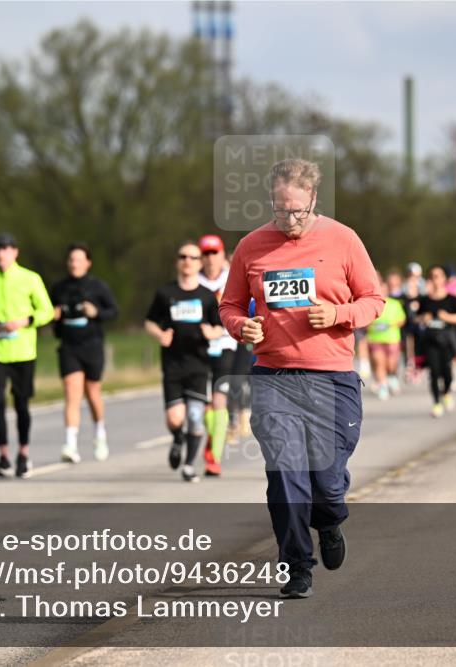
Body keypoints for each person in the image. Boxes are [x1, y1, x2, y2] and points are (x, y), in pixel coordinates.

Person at [220, 158, 383, 600]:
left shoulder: (343, 239)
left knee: (326, 483)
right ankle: (296, 566)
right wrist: (241, 326)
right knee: (285, 474)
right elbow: (229, 305)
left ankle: (329, 521)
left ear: (313, 198)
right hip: (274, 378)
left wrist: (339, 314)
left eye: (297, 211)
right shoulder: (252, 246)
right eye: (280, 210)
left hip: (332, 379)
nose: (289, 220)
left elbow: (374, 299)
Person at [0, 233, 54, 479]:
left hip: (23, 351)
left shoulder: (30, 278)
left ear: (15, 252)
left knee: (21, 403)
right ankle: (3, 456)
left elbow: (47, 311)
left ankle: (23, 454)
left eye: (6, 249)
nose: (1, 254)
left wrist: (25, 321)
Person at [145, 241, 224, 483]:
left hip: (198, 365)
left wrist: (212, 333)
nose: (187, 261)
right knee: (175, 419)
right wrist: (160, 335)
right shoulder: (165, 293)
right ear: (177, 262)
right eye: (183, 257)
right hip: (172, 365)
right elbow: (149, 322)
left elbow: (220, 326)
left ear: (199, 263)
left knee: (196, 417)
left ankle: (189, 466)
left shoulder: (206, 296)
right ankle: (178, 438)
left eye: (192, 257)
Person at [51, 242, 119, 464]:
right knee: (72, 392)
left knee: (92, 393)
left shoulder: (98, 287)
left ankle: (100, 433)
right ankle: (70, 444)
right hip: (68, 346)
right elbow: (46, 313)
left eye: (79, 260)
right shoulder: (59, 288)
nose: (75, 264)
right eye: (72, 260)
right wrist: (54, 316)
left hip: (92, 345)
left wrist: (96, 312)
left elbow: (114, 311)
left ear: (88, 263)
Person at [196, 234, 236, 477]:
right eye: (206, 253)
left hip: (227, 345)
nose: (210, 258)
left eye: (215, 253)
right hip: (198, 348)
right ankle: (213, 438)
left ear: (222, 255)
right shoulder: (193, 280)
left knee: (219, 399)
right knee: (203, 404)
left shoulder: (232, 278)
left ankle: (214, 457)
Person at [418, 265, 456, 416]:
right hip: (430, 341)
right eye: (433, 276)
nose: (435, 279)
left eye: (438, 276)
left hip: (447, 341)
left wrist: (448, 317)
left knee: (447, 373)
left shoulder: (452, 299)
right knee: (434, 372)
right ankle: (436, 403)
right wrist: (423, 318)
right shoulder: (425, 300)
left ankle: (446, 393)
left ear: (444, 279)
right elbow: (415, 318)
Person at [366, 274, 407, 400]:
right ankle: (383, 386)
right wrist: (371, 325)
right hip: (375, 339)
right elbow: (365, 320)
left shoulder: (395, 304)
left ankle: (391, 377)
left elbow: (402, 320)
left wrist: (390, 325)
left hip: (392, 339)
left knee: (390, 364)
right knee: (379, 363)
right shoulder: (371, 304)